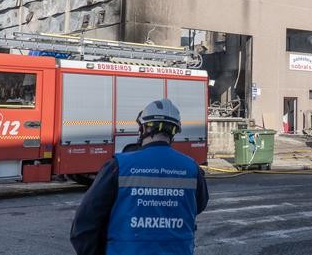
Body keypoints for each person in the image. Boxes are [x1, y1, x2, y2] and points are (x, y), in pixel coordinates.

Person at [70, 98, 209, 255]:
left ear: (143, 129)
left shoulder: (119, 166)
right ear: (174, 132)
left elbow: (84, 223)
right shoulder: (191, 168)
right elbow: (199, 205)